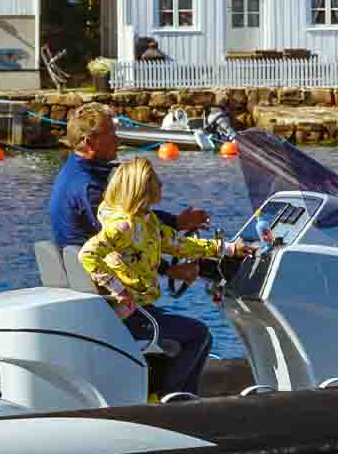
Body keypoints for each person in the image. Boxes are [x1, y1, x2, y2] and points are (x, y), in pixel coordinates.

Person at [78, 158, 251, 397]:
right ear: (143, 189)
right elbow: (87, 254)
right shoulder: (124, 226)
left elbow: (178, 244)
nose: (161, 184)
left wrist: (228, 249)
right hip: (133, 316)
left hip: (143, 310)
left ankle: (183, 399)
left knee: (203, 337)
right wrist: (118, 289)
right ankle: (165, 399)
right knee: (198, 335)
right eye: (156, 181)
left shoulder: (146, 221)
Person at [47, 102, 208, 250]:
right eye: (111, 135)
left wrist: (175, 222)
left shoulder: (73, 171)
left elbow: (133, 220)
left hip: (82, 269)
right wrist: (170, 269)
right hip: (98, 275)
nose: (118, 140)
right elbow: (128, 238)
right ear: (89, 143)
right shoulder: (90, 188)